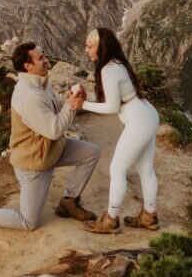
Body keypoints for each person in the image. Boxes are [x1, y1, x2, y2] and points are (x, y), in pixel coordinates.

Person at [0, 41, 100, 238]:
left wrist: (69, 100)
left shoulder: (39, 82)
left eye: (44, 55)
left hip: (50, 150)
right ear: (27, 66)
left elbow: (54, 111)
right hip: (35, 164)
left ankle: (69, 202)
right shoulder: (29, 96)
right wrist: (71, 106)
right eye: (41, 58)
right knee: (28, 222)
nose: (47, 60)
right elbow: (54, 129)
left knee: (91, 153)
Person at [81, 27, 160, 234]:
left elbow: (111, 107)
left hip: (138, 121)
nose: (86, 50)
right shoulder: (117, 63)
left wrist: (82, 105)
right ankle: (149, 216)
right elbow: (114, 99)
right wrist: (86, 99)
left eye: (90, 46)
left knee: (117, 169)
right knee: (146, 169)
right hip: (148, 114)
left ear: (101, 47)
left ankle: (111, 219)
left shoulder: (107, 69)